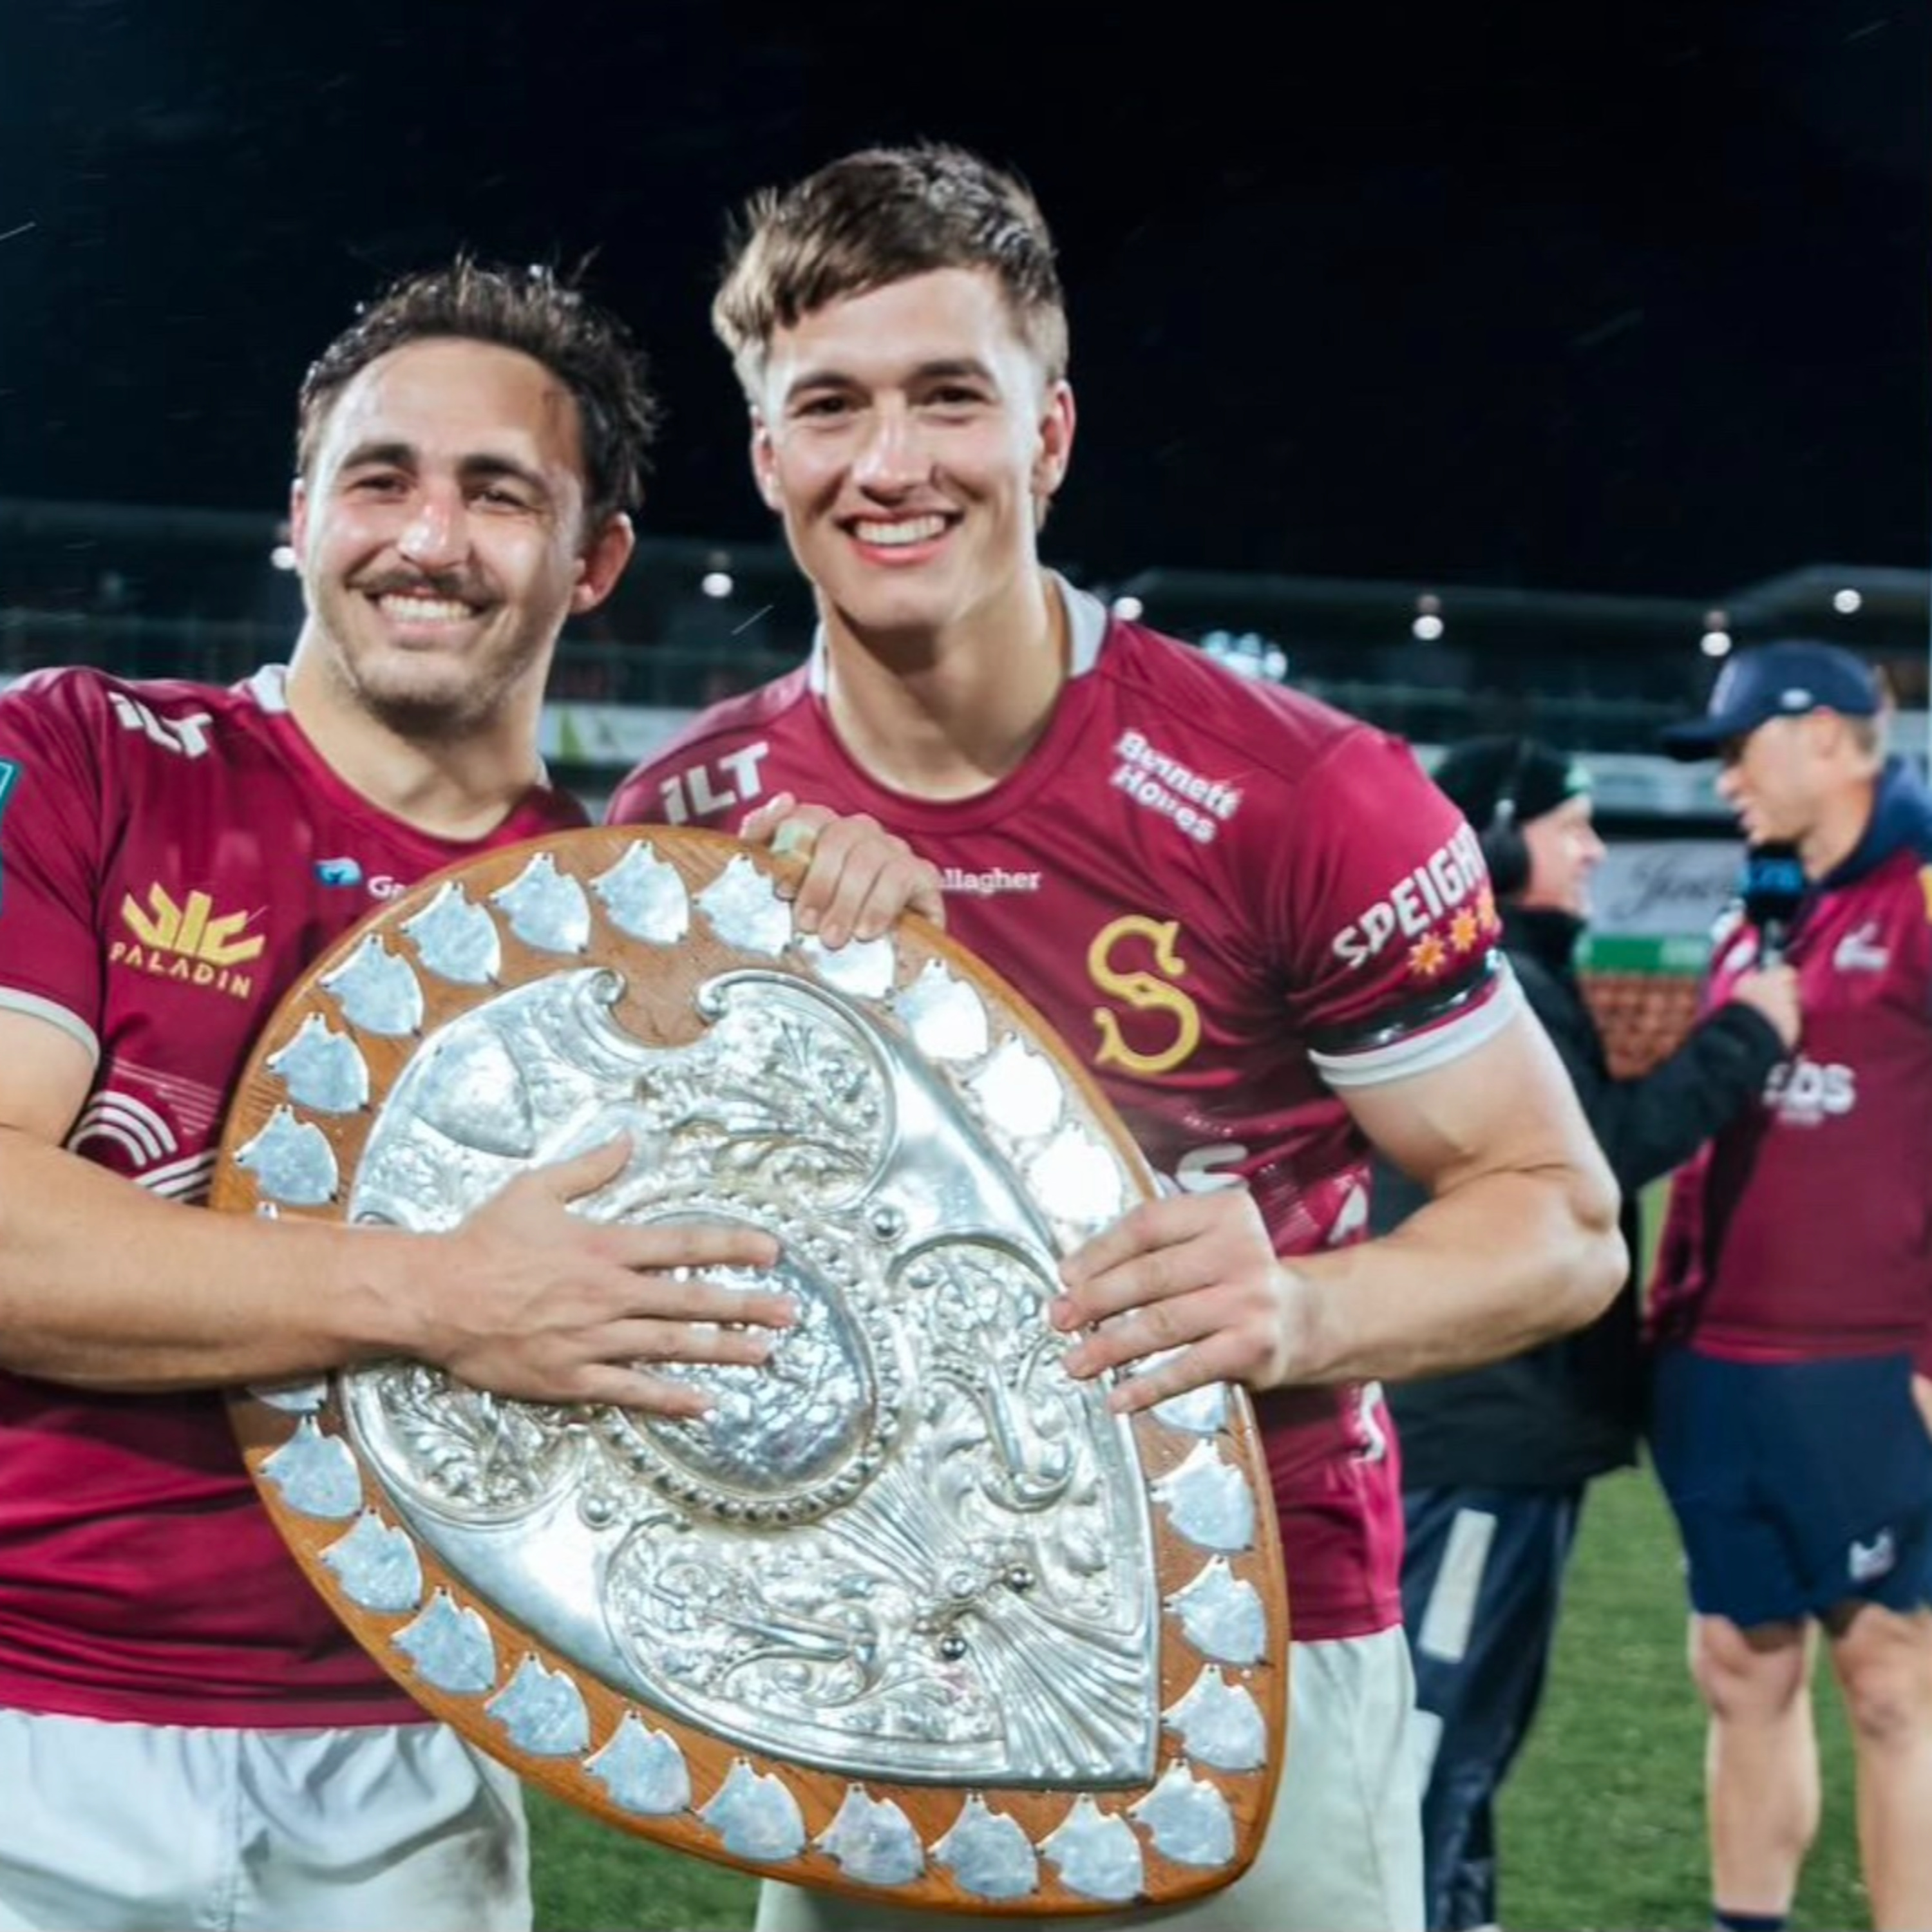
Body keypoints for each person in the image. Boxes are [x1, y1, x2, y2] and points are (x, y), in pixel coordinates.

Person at [605, 141, 1625, 1932]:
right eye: (830, 406)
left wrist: (1298, 1310)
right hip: (867, 1639)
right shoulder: (688, 822)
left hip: (1242, 1623)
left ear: (1051, 434)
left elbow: (1561, 1218)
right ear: (768, 456)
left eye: (950, 397)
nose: (891, 463)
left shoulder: (1302, 794)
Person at [0, 258, 940, 1932]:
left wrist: (868, 983)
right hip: (33, 1729)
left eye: (499, 494)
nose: (427, 538)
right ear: (302, 515)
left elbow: (799, 1356)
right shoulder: (85, 756)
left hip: (420, 1762)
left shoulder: (647, 937)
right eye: (380, 479)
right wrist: (446, 1297)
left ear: (596, 561)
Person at [1370, 734, 1799, 1932]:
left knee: (1465, 1737)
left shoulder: (1492, 974)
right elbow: (1597, 1160)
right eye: (1573, 828)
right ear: (1501, 845)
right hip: (1483, 1430)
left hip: (1498, 1425)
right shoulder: (1488, 986)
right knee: (1436, 1739)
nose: (1597, 850)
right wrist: (1748, 1035)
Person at [1647, 639, 1932, 1932]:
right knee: (1737, 1665)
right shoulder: (1758, 909)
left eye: (1737, 751)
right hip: (1718, 1366)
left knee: (1891, 1683)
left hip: (1868, 1371)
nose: (1724, 783)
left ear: (1826, 736)